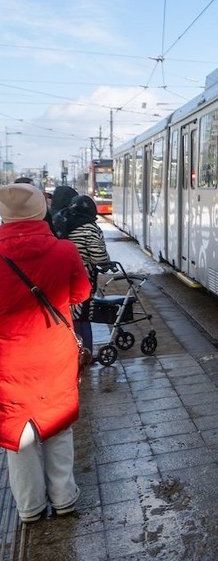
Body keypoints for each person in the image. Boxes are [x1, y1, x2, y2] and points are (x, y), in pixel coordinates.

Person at [0, 183, 91, 523]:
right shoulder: (64, 250)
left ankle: (29, 507)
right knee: (57, 425)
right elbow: (81, 294)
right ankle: (64, 497)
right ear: (43, 210)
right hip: (54, 354)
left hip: (7, 360)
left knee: (18, 434)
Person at [57, 195, 110, 353]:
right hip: (83, 277)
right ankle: (85, 352)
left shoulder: (62, 223)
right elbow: (99, 257)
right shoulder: (89, 228)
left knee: (70, 315)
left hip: (63, 276)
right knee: (83, 315)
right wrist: (106, 264)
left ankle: (72, 349)